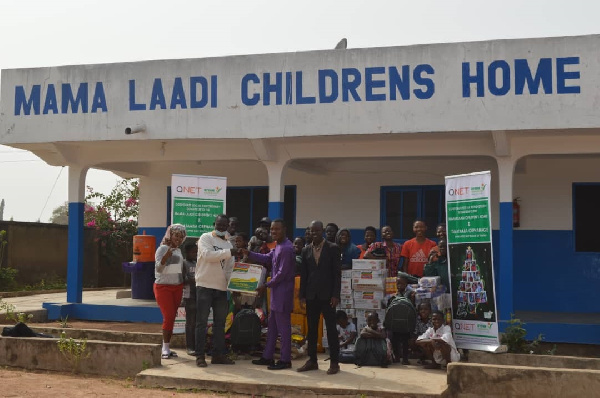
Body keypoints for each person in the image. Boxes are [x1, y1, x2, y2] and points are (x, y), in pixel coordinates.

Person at [243, 219, 296, 370]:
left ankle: (285, 360)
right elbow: (267, 258)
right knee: (272, 327)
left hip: (282, 293)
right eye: (272, 230)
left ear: (284, 229)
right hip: (275, 293)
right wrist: (249, 253)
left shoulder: (286, 248)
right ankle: (267, 356)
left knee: (283, 328)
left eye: (277, 229)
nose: (273, 232)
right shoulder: (278, 245)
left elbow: (281, 273)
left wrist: (265, 285)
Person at [298, 220, 342, 375]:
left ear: (322, 231)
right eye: (311, 231)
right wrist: (302, 295)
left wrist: (336, 294)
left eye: (317, 231)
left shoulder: (332, 248)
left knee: (330, 329)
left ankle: (334, 363)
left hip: (328, 296)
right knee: (312, 330)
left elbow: (337, 274)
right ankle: (312, 361)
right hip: (311, 296)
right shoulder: (305, 250)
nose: (314, 234)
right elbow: (304, 275)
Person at [195, 214, 238, 367]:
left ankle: (218, 355)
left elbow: (229, 270)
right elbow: (207, 256)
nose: (221, 227)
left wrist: (233, 287)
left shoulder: (228, 245)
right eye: (219, 224)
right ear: (214, 224)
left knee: (220, 324)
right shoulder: (205, 238)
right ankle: (200, 356)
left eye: (224, 225)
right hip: (204, 286)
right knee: (201, 322)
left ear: (228, 226)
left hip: (221, 289)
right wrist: (229, 253)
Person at [154, 224, 187, 359]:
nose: (178, 239)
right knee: (168, 317)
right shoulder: (162, 248)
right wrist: (166, 255)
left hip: (177, 287)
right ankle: (165, 348)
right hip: (163, 287)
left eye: (181, 236)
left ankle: (167, 346)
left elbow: (178, 270)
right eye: (176, 235)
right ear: (170, 235)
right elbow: (158, 269)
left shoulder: (179, 251)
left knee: (172, 317)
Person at [386, 275, 415, 364]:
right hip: (395, 321)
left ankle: (405, 359)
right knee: (394, 339)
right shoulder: (394, 295)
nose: (399, 285)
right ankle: (397, 357)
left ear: (406, 284)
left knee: (405, 341)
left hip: (406, 321)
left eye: (401, 283)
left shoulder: (410, 294)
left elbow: (413, 306)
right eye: (398, 283)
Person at [182, 241, 198, 356]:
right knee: (190, 322)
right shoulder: (184, 263)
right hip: (189, 295)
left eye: (196, 252)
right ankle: (190, 346)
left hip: (199, 294)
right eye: (193, 252)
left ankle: (197, 345)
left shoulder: (198, 263)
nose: (195, 254)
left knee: (198, 322)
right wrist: (197, 280)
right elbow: (183, 279)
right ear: (187, 252)